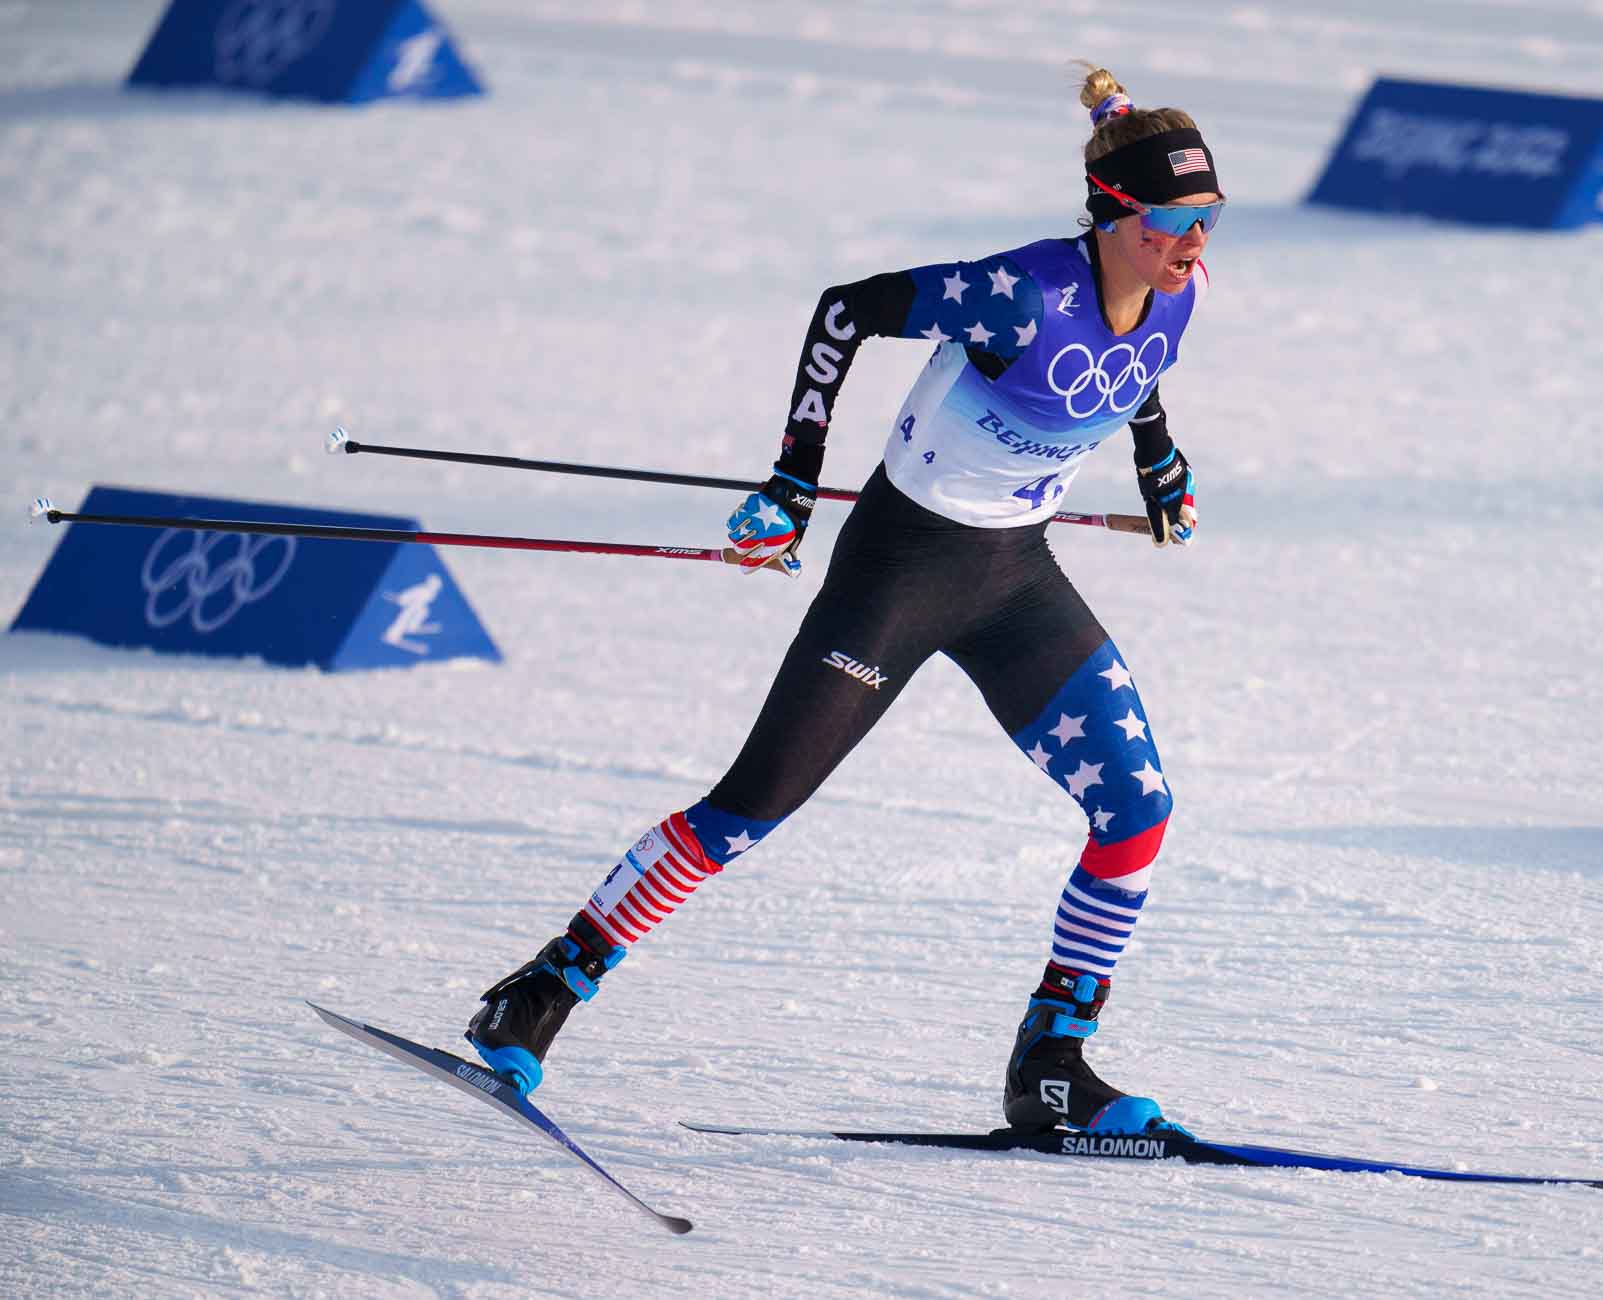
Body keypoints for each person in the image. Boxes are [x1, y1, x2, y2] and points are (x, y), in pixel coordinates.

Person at [465, 66, 1221, 1138]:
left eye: (1210, 219)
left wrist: (1160, 459)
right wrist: (790, 478)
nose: (1197, 242)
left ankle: (1050, 1064)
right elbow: (846, 313)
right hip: (899, 571)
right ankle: (539, 992)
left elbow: (1137, 361)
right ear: (1116, 214)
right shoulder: (1020, 293)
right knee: (749, 807)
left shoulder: (1178, 286)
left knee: (1137, 811)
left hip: (1017, 578)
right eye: (1179, 220)